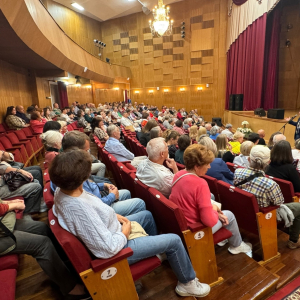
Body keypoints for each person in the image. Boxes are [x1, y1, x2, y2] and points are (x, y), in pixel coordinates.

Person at [50, 150, 211, 298]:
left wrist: (113, 216)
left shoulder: (62, 190)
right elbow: (108, 249)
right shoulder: (79, 209)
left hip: (112, 229)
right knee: (174, 240)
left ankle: (156, 251)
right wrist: (125, 230)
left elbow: (94, 211)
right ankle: (187, 283)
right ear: (82, 177)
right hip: (116, 252)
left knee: (147, 216)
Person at [169, 144, 252, 255]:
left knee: (216, 206)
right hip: (195, 230)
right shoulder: (201, 183)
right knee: (229, 215)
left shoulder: (178, 174)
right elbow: (209, 221)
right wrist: (216, 213)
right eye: (207, 164)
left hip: (182, 224)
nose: (209, 167)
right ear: (197, 166)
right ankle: (237, 246)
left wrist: (214, 209)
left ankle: (225, 240)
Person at [0, 200, 90, 300]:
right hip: (2, 233)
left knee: (41, 227)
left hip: (4, 221)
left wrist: (8, 202)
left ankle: (64, 262)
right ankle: (70, 288)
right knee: (42, 244)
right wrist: (13, 205)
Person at [234, 145, 300, 249]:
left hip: (245, 212)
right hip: (264, 215)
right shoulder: (270, 184)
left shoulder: (237, 172)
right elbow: (279, 203)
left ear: (249, 159)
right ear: (268, 162)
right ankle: (293, 241)